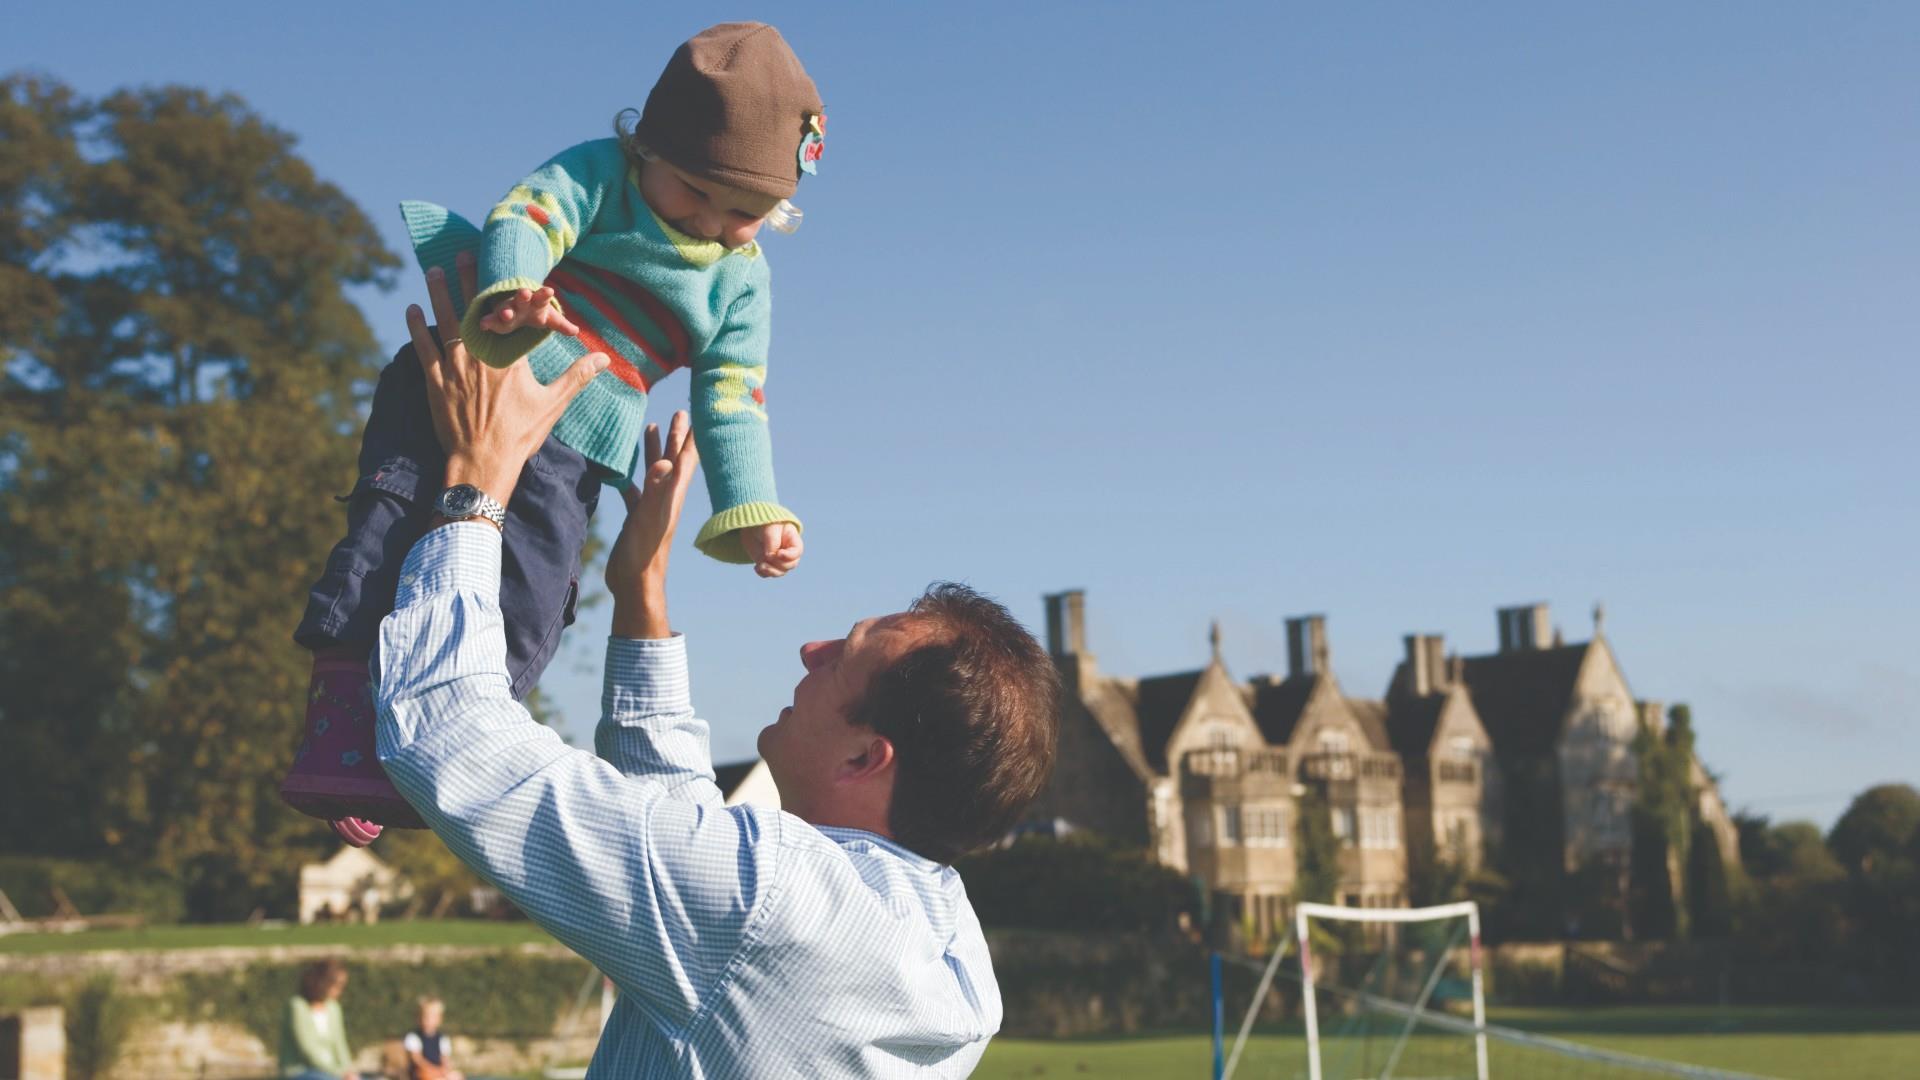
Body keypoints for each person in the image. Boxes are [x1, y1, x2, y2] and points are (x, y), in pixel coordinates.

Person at [367, 264, 1060, 1074]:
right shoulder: (946, 946)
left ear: (865, 758)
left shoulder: (768, 908)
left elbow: (447, 734)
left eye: (845, 656)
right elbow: (685, 836)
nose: (812, 650)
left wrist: (477, 478)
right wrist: (641, 592)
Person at [283, 21, 823, 845]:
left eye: (744, 211)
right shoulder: (601, 176)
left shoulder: (741, 284)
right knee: (389, 524)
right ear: (645, 148)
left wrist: (754, 506)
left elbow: (732, 395)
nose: (714, 222)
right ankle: (340, 739)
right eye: (692, 190)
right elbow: (526, 217)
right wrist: (514, 288)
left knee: (529, 596)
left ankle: (433, 744)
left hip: (572, 444)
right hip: (491, 359)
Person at [278, 958, 368, 1080]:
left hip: (331, 1072)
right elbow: (307, 1049)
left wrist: (349, 1071)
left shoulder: (333, 1008)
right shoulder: (297, 1006)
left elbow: (339, 1044)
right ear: (322, 982)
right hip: (301, 1072)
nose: (340, 990)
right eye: (337, 985)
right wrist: (338, 1073)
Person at [401, 996, 465, 1080]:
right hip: (421, 1073)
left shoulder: (442, 1038)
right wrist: (434, 1070)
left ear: (439, 1019)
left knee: (457, 1075)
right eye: (426, 1016)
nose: (428, 1020)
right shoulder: (413, 1037)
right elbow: (418, 1060)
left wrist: (444, 1070)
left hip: (438, 1071)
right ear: (419, 1017)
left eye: (432, 1017)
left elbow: (445, 1059)